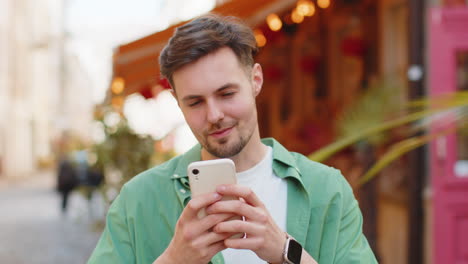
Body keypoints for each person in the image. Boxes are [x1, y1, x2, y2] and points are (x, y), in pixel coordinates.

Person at [88, 14, 377, 264]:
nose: (214, 115)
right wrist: (174, 259)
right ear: (177, 102)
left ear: (256, 80)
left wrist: (284, 251)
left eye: (226, 94)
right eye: (195, 103)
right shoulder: (138, 200)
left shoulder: (328, 190)